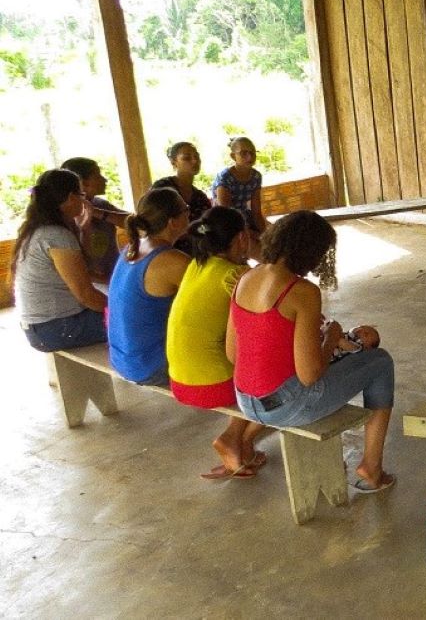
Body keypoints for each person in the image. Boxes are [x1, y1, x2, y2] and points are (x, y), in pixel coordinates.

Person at [228, 210, 396, 493]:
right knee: (380, 362)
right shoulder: (302, 291)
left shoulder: (246, 277)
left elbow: (233, 354)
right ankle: (372, 466)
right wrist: (330, 338)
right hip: (287, 404)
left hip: (245, 400)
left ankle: (371, 466)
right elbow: (309, 376)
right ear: (311, 252)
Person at [166, 206, 267, 479]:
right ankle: (234, 438)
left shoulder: (196, 265)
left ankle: (241, 445)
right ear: (242, 239)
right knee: (277, 379)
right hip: (209, 386)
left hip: (179, 380)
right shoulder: (236, 275)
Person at [12, 169, 108, 352]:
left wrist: (84, 230)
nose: (85, 200)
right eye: (81, 195)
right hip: (57, 329)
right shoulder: (56, 235)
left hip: (42, 329)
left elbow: (85, 269)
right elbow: (86, 296)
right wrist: (121, 308)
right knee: (144, 318)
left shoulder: (36, 230)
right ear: (72, 197)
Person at [107, 188, 191, 386]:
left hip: (123, 358)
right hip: (150, 366)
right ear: (173, 222)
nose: (189, 213)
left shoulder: (131, 248)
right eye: (186, 209)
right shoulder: (172, 261)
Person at [61, 157, 129, 282]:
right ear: (83, 183)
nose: (105, 180)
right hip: (94, 283)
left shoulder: (100, 205)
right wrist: (111, 282)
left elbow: (135, 223)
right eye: (98, 176)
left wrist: (96, 212)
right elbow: (76, 268)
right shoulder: (65, 217)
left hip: (115, 275)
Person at [152, 141, 212, 254]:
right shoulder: (162, 187)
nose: (194, 161)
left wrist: (196, 233)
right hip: (165, 251)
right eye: (187, 158)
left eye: (196, 156)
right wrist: (192, 233)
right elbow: (156, 222)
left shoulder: (200, 197)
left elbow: (206, 227)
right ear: (174, 162)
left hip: (194, 254)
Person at [212, 136, 268, 235]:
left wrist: (265, 234)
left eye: (252, 152)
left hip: (243, 216)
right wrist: (248, 234)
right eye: (244, 153)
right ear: (233, 156)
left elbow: (256, 212)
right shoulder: (225, 177)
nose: (250, 157)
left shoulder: (256, 176)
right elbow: (226, 213)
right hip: (223, 222)